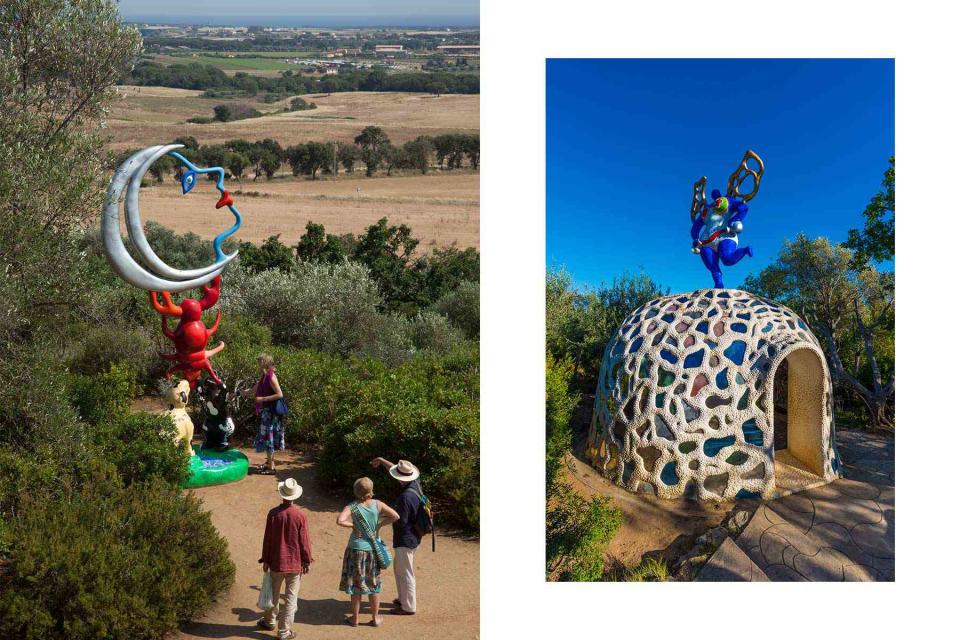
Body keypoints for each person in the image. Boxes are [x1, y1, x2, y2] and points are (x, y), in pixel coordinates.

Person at [337, 477, 400, 627]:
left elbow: (340, 520)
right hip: (372, 549)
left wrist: (352, 526)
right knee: (374, 584)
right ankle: (375, 618)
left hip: (356, 549)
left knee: (356, 586)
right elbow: (395, 516)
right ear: (371, 490)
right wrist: (380, 525)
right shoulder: (378, 504)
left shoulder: (352, 506)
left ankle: (355, 618)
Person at [258, 478, 312, 640]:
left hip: (276, 562)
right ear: (295, 496)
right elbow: (304, 542)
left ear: (282, 495)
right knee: (290, 598)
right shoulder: (300, 516)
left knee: (272, 594)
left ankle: (269, 621)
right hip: (295, 564)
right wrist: (306, 560)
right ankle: (284, 632)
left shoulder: (273, 514)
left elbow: (267, 539)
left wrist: (266, 559)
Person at [369, 457, 423, 615]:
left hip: (405, 539)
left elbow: (399, 519)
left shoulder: (405, 498)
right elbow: (396, 468)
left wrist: (378, 522)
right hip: (414, 536)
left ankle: (408, 607)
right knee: (400, 569)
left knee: (405, 572)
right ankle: (403, 599)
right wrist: (382, 461)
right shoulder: (416, 484)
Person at [244, 353, 284, 474]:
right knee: (268, 438)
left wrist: (262, 399)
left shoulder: (271, 376)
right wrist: (236, 394)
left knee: (269, 439)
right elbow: (252, 391)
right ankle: (268, 463)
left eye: (260, 361)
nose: (258, 364)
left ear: (265, 363)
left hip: (271, 413)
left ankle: (271, 468)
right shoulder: (264, 377)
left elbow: (280, 394)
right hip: (267, 413)